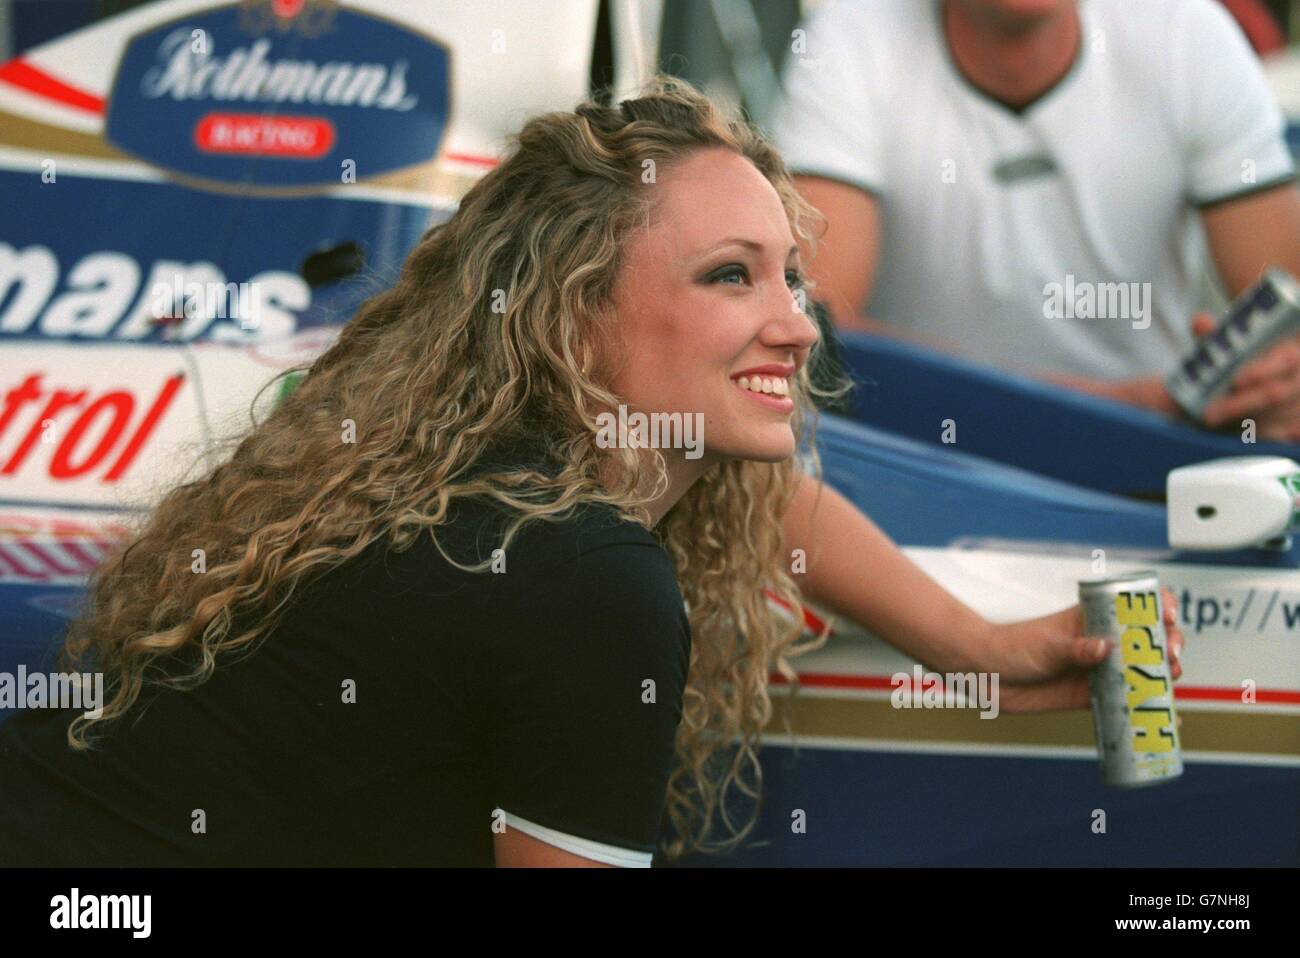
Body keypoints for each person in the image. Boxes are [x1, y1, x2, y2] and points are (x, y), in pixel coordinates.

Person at [0, 76, 1183, 868]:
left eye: (789, 275)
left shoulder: (474, 467)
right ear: (574, 317)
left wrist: (975, 647)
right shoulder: (587, 578)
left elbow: (773, 503)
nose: (799, 324)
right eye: (732, 276)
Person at [772, 0, 1300, 441]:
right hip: (922, 457)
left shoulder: (1190, 33)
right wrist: (1121, 405)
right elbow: (812, 337)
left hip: (1152, 461)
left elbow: (1289, 321)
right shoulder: (849, 36)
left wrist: (1271, 390)